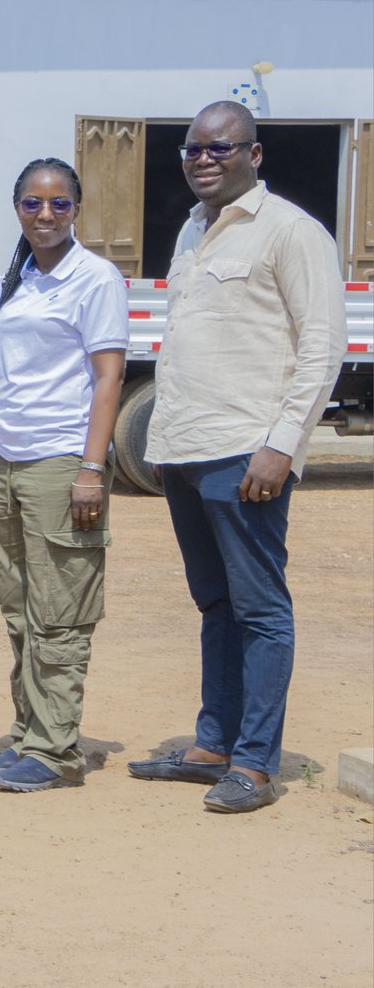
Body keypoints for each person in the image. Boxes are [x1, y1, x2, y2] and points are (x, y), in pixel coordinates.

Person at [131, 100, 346, 815]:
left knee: (259, 608)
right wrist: (162, 442)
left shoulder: (290, 231)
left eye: (221, 149)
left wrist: (281, 444)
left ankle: (254, 763)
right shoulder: (192, 231)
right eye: (193, 149)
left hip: (245, 451)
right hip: (188, 448)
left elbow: (321, 349)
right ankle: (212, 743)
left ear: (255, 156)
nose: (203, 160)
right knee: (214, 602)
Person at [0, 159, 128, 793]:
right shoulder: (21, 277)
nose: (46, 216)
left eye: (59, 204)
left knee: (59, 610)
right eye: (33, 204)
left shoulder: (96, 278)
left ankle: (56, 751)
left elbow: (109, 377)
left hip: (62, 463)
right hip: (6, 461)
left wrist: (92, 467)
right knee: (18, 608)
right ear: (17, 209)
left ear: (77, 208)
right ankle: (30, 733)